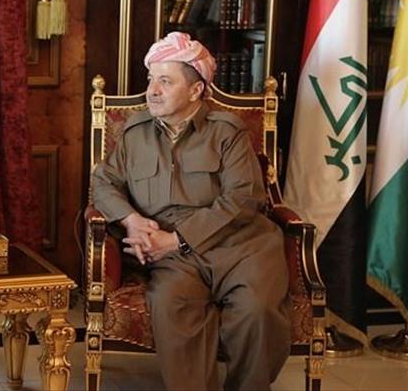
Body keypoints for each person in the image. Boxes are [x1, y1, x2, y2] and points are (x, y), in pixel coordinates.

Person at [92, 32, 291, 390]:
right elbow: (103, 182)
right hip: (173, 258)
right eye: (151, 79)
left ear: (196, 90)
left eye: (165, 82)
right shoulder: (135, 133)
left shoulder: (227, 132)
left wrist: (178, 239)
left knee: (257, 311)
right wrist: (132, 221)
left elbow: (243, 198)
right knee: (172, 306)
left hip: (240, 246)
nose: (152, 91)